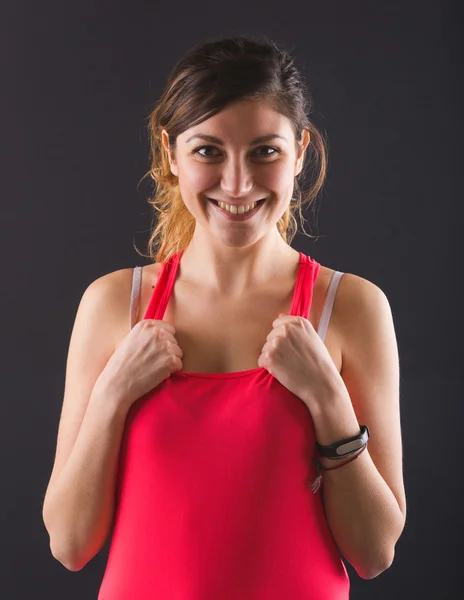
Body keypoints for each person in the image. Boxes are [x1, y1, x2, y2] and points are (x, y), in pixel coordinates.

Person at [42, 34, 406, 598]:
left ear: (301, 152)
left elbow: (376, 553)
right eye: (208, 151)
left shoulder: (353, 307)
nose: (237, 185)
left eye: (265, 151)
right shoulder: (115, 305)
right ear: (171, 154)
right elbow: (69, 544)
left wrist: (330, 403)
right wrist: (112, 395)